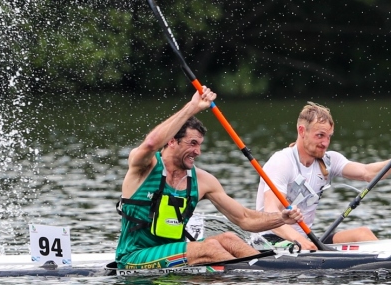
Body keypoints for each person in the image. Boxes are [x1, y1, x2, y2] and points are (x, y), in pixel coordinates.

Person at [115, 87, 304, 269]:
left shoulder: (203, 181)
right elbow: (149, 144)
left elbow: (245, 218)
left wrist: (281, 218)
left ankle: (267, 275)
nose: (197, 152)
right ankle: (250, 280)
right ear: (171, 141)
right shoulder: (144, 167)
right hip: (135, 256)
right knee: (208, 248)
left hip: (176, 254)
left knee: (229, 239)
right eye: (192, 144)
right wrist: (193, 107)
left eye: (200, 145)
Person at [255, 101, 391, 250]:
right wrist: (303, 242)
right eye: (320, 135)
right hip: (270, 241)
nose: (325, 143)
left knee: (363, 234)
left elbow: (367, 173)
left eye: (329, 136)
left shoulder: (329, 160)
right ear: (302, 131)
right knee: (308, 247)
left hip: (307, 242)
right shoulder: (282, 162)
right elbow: (271, 212)